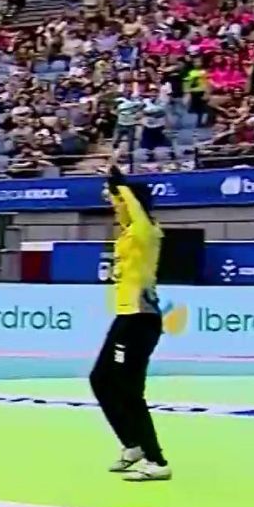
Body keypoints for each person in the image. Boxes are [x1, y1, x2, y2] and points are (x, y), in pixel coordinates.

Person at [92, 164, 169, 482]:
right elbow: (121, 206)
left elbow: (132, 208)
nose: (115, 209)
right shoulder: (128, 233)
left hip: (139, 319)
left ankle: (157, 461)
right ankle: (132, 445)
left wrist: (119, 183)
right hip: (125, 317)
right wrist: (112, 188)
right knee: (101, 380)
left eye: (120, 204)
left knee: (129, 391)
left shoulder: (145, 232)